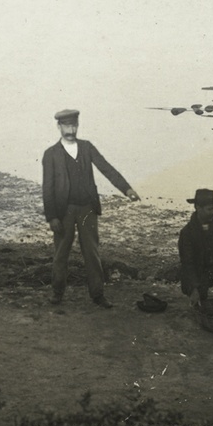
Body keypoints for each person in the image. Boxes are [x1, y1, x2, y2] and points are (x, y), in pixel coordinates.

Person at [42, 109, 140, 308]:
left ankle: (97, 294)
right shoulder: (51, 154)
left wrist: (126, 189)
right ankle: (57, 292)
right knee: (61, 253)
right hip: (64, 211)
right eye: (67, 125)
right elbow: (48, 188)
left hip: (87, 209)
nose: (71, 129)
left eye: (74, 125)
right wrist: (52, 217)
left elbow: (106, 168)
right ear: (59, 127)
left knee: (92, 252)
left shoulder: (87, 147)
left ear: (78, 125)